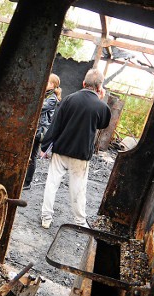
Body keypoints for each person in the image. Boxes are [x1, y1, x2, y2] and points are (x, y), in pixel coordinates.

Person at [40, 68, 111, 229]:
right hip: (81, 153)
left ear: (84, 83)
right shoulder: (101, 107)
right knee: (78, 189)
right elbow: (102, 124)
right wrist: (101, 99)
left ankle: (46, 218)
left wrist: (45, 146)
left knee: (52, 184)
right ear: (100, 87)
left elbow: (56, 124)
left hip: (61, 149)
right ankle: (80, 222)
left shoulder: (68, 99)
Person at [23, 73, 61, 190]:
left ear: (53, 85)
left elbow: (38, 107)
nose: (46, 83)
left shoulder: (52, 99)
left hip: (39, 131)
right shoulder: (44, 95)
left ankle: (27, 183)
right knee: (27, 154)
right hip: (33, 128)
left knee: (32, 155)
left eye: (49, 82)